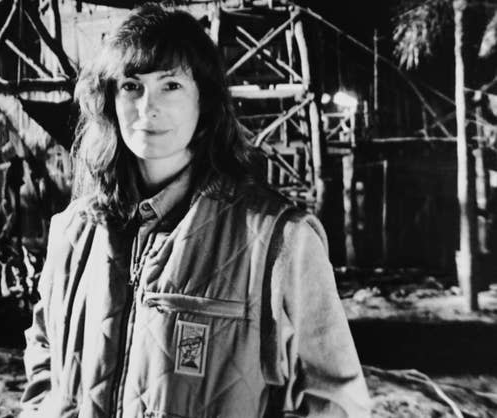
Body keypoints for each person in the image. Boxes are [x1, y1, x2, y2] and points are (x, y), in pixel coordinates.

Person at [20, 4, 370, 417]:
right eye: (131, 86)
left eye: (170, 85)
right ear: (109, 100)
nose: (147, 107)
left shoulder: (279, 239)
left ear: (203, 101)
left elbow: (337, 400)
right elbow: (45, 356)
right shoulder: (72, 231)